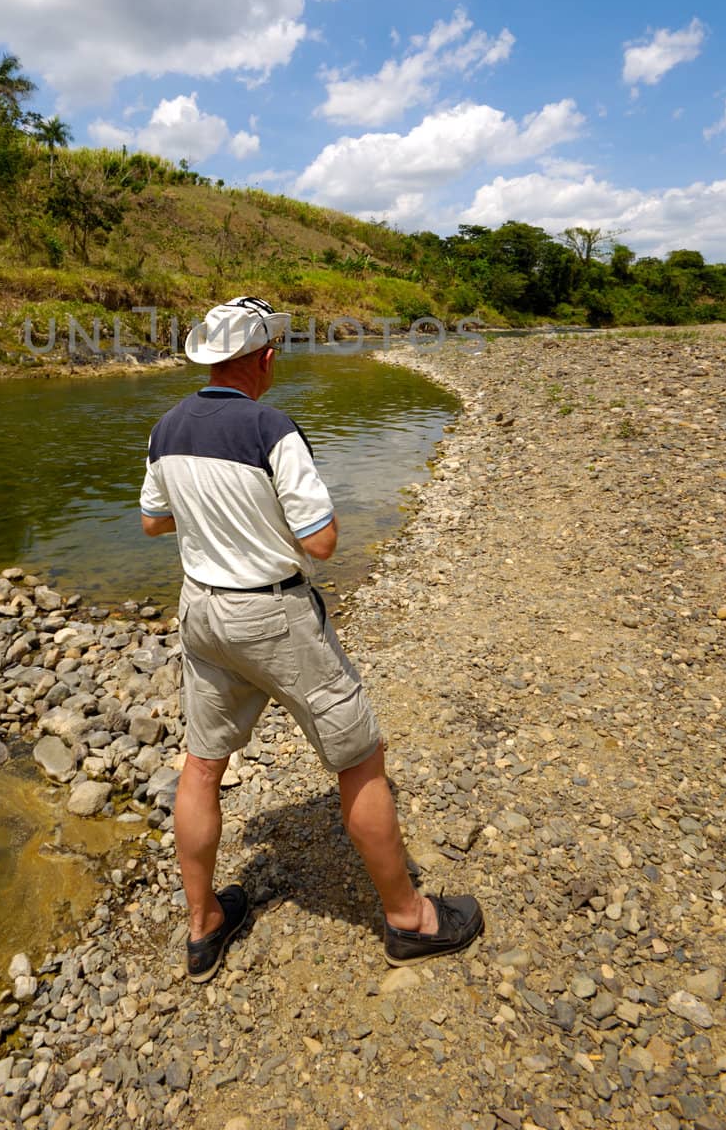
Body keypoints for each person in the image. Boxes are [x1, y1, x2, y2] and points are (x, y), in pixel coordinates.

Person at [140, 296, 483, 982]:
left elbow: (153, 523)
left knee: (202, 764)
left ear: (209, 357)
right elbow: (320, 543)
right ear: (264, 358)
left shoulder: (166, 425)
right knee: (358, 756)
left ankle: (203, 925)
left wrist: (220, 520)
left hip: (201, 612)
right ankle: (409, 920)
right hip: (273, 618)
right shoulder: (270, 425)